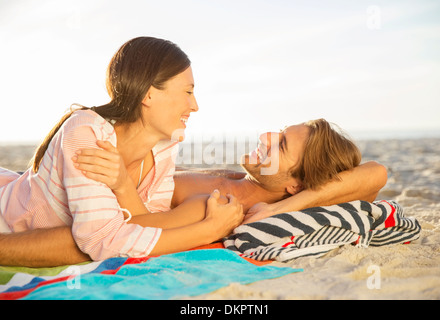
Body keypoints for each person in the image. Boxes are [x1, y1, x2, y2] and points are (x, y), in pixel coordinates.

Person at [0, 118, 387, 267]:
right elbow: (375, 171)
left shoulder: (230, 205)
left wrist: (120, 182)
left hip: (75, 208)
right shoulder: (246, 183)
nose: (267, 135)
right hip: (49, 186)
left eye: (282, 144)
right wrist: (299, 198)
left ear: (296, 181)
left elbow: (137, 228)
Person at [0, 36, 244, 264]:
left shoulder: (164, 146)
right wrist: (209, 230)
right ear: (149, 94)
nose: (195, 105)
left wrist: (124, 185)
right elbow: (102, 241)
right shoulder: (86, 133)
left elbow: (149, 223)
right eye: (188, 92)